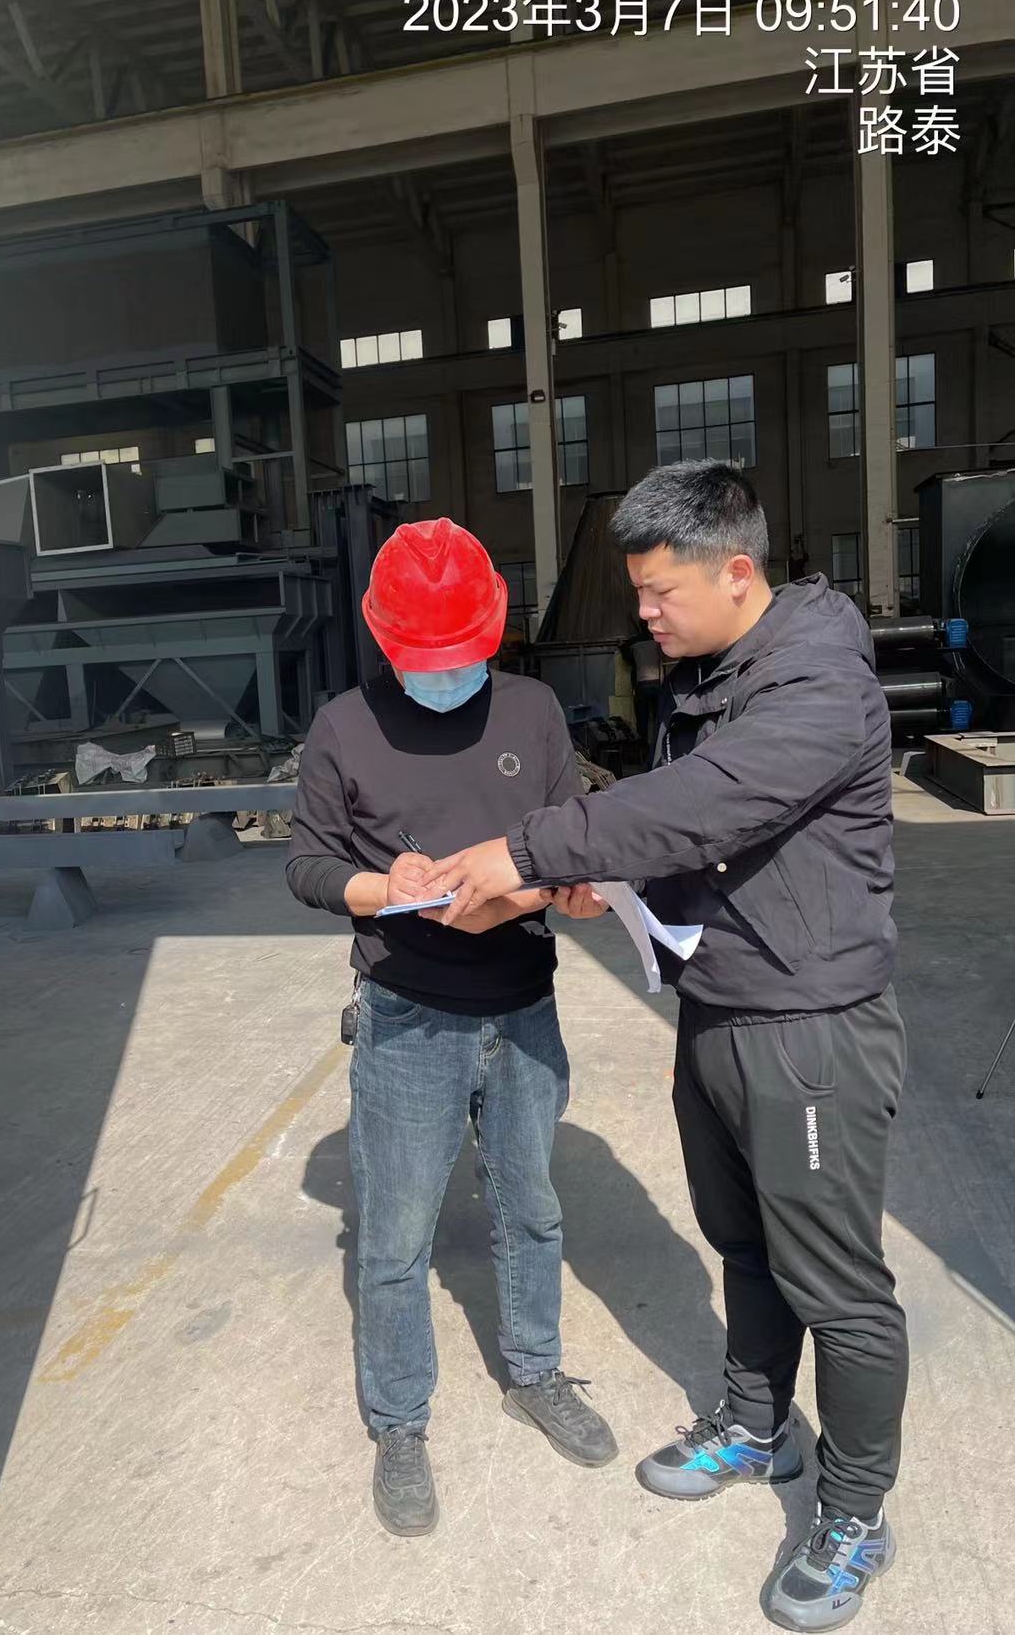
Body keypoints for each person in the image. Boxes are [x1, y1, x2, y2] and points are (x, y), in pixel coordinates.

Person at [428, 462, 906, 1631]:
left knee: (836, 1287)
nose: (640, 612)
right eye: (635, 590)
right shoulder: (706, 672)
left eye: (657, 591)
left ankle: (854, 1512)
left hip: (806, 1025)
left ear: (734, 571)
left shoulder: (815, 681)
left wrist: (530, 848)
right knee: (741, 1241)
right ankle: (755, 1424)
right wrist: (603, 877)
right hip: (718, 1002)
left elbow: (710, 802)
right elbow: (682, 832)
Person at [285, 517, 617, 1539]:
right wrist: (385, 887)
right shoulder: (344, 727)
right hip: (406, 1013)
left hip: (521, 1006)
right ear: (383, 637)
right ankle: (399, 1422)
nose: (444, 679)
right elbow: (306, 865)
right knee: (394, 1235)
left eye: (459, 657)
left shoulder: (531, 711)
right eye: (425, 662)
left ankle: (535, 1372)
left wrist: (550, 894)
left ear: (493, 632)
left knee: (531, 1207)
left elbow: (567, 842)